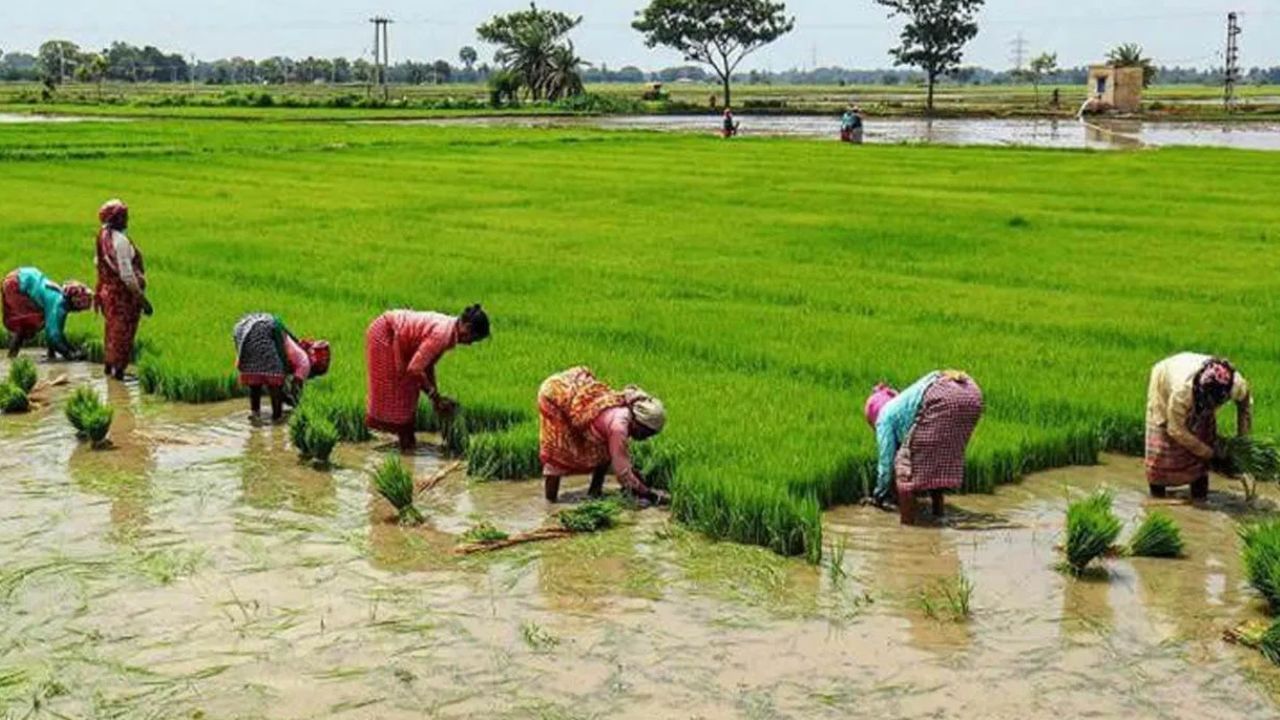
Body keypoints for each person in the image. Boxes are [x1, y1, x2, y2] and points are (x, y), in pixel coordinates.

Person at [864, 370, 984, 524]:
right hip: (971, 391)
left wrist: (878, 495)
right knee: (936, 460)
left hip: (943, 393)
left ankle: (908, 528)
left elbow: (886, 463)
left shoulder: (884, 417)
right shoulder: (903, 405)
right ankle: (938, 516)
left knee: (904, 468)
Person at [538, 366, 668, 505]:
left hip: (573, 397)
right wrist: (650, 495)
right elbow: (622, 473)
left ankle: (594, 493)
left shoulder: (626, 412)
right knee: (558, 452)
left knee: (604, 451)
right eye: (646, 433)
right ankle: (550, 504)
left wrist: (632, 476)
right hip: (554, 396)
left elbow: (617, 457)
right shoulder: (619, 427)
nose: (645, 438)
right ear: (638, 423)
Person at [365, 305, 490, 450]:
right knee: (400, 389)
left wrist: (435, 396)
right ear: (467, 327)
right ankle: (406, 445)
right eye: (473, 339)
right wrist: (435, 397)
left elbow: (428, 365)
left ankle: (407, 443)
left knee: (409, 391)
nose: (469, 344)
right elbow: (415, 369)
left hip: (401, 339)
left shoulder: (450, 332)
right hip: (386, 334)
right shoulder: (442, 334)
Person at [1145, 353, 1251, 500]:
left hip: (1192, 382)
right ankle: (1157, 496)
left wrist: (1243, 442)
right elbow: (1175, 429)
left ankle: (1200, 497)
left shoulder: (1234, 384)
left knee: (1202, 440)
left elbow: (1244, 407)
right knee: (1163, 448)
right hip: (1163, 383)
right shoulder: (1182, 392)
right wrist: (1210, 453)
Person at [233, 313, 331, 421]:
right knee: (275, 380)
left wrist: (285, 397)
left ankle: (255, 414)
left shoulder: (295, 347)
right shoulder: (305, 363)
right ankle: (277, 418)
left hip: (241, 329)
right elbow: (295, 388)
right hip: (262, 329)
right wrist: (298, 407)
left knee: (255, 380)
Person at [94, 199, 152, 380]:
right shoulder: (120, 242)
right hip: (123, 298)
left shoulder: (103, 237)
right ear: (117, 219)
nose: (127, 219)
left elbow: (97, 263)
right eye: (124, 216)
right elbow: (127, 275)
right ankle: (118, 375)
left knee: (112, 331)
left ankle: (108, 369)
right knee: (123, 335)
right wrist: (143, 300)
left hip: (109, 295)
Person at [3, 266, 92, 359]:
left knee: (47, 319)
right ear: (73, 302)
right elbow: (53, 336)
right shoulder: (58, 305)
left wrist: (72, 350)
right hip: (16, 284)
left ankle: (50, 354)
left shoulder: (60, 299)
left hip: (24, 277)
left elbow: (55, 326)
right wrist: (70, 354)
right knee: (26, 324)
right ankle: (12, 357)